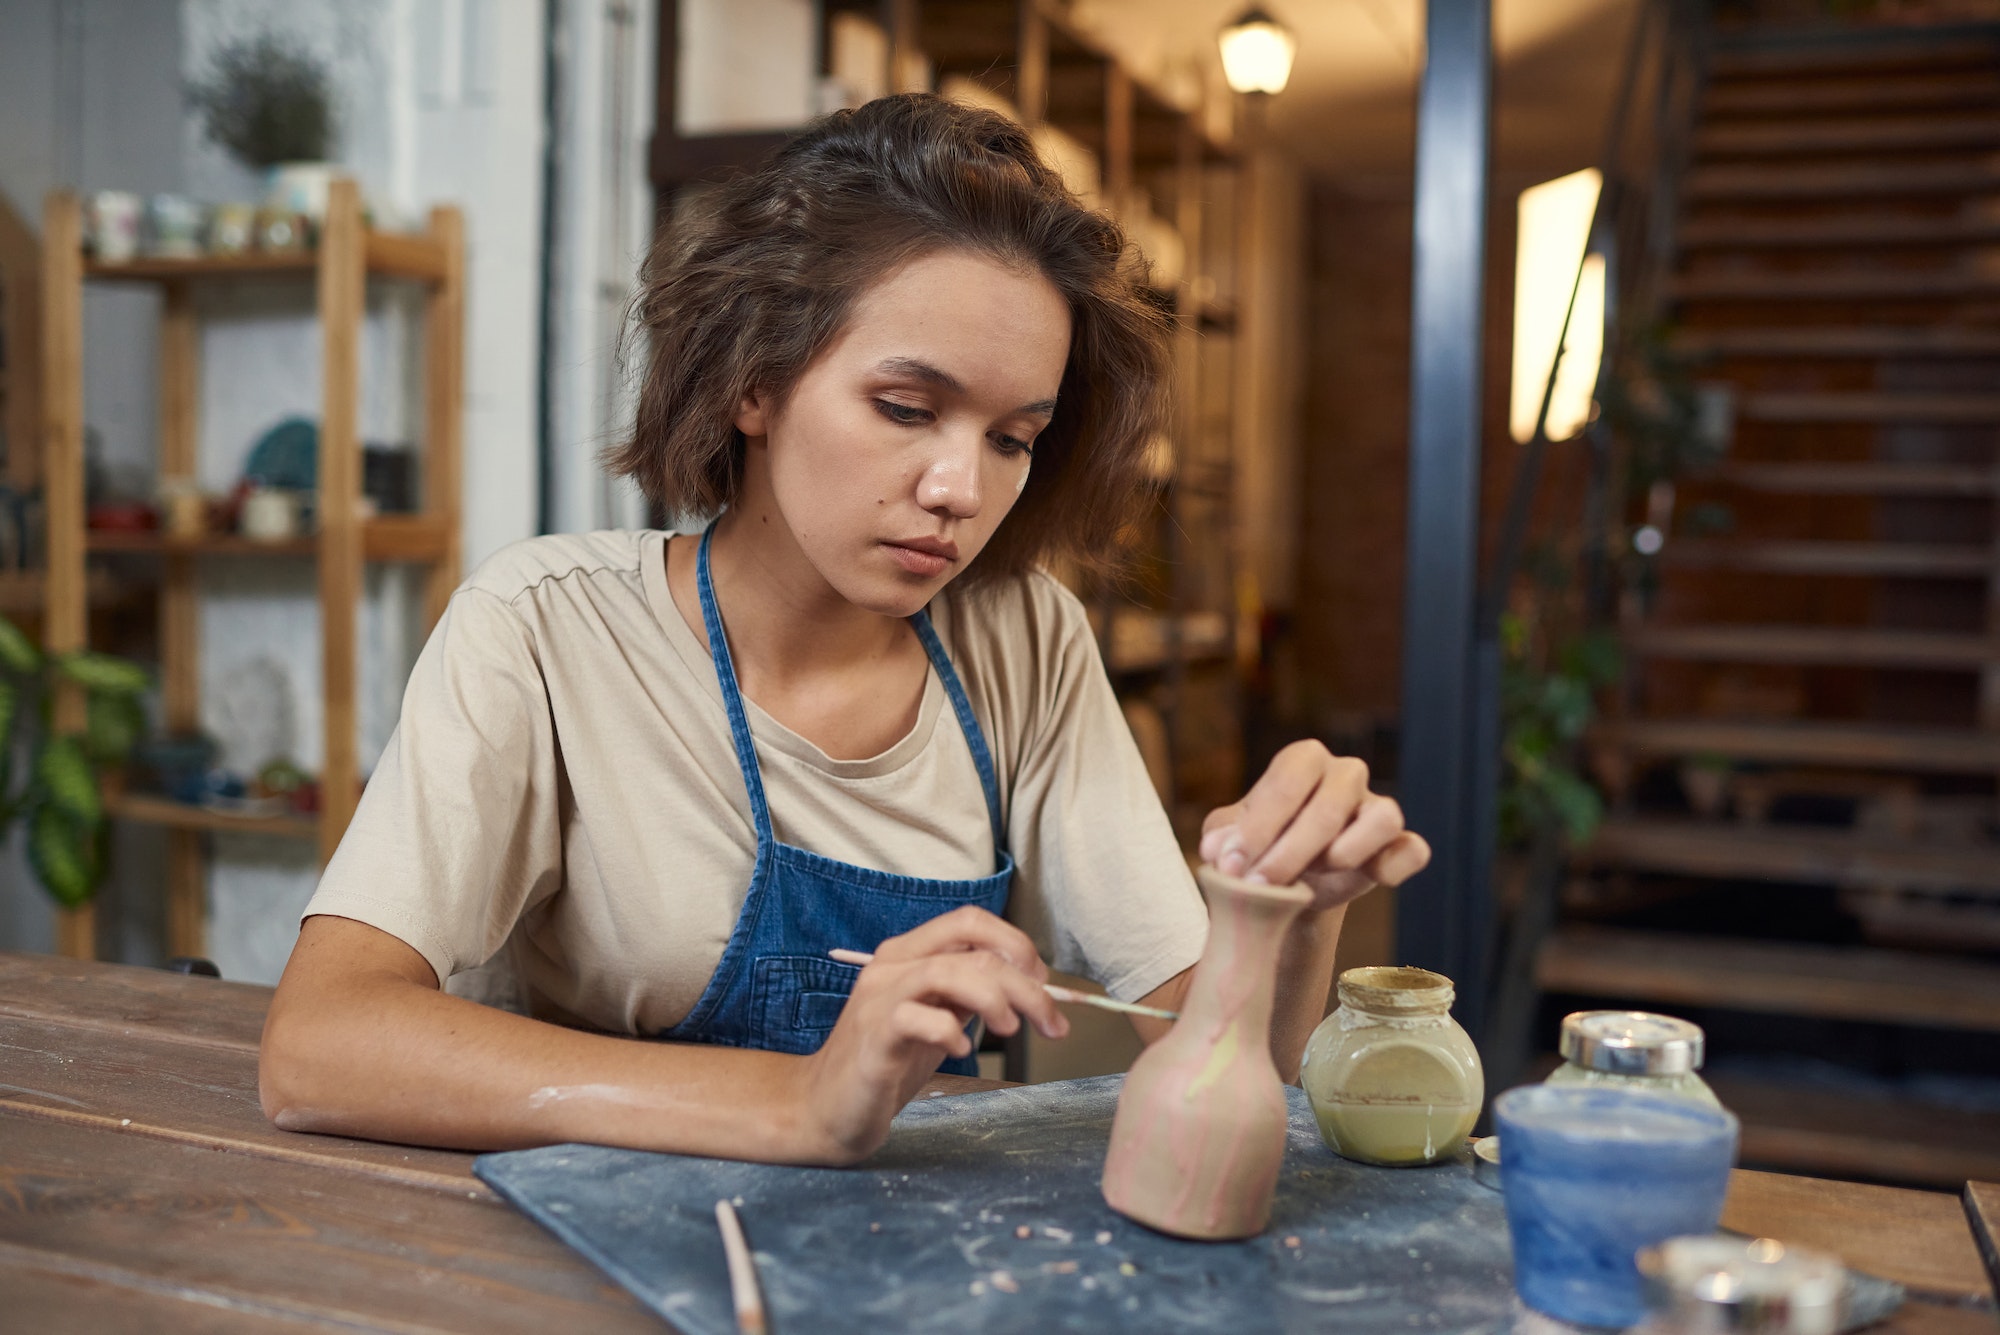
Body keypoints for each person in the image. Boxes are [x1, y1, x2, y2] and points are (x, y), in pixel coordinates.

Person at [259, 94, 1429, 1167]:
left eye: (1012, 438)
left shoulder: (1023, 640)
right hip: (587, 1239)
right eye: (906, 410)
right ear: (752, 383)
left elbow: (1232, 1062)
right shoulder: (545, 632)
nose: (958, 489)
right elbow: (322, 1046)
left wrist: (1291, 910)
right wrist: (801, 1105)